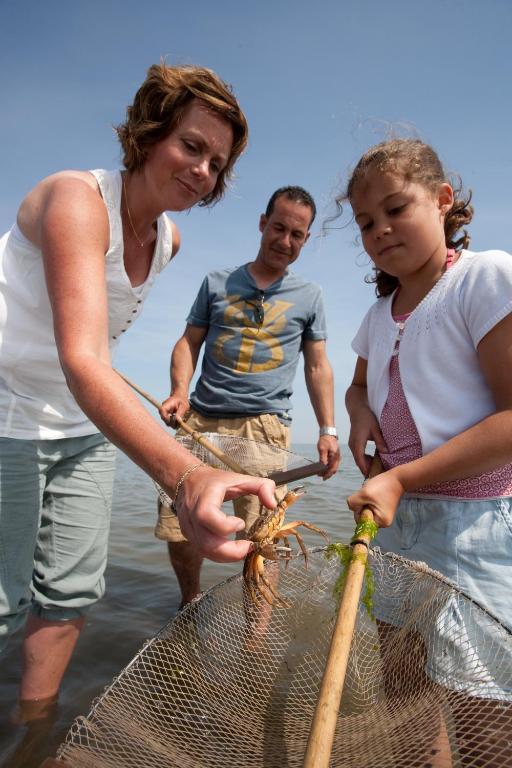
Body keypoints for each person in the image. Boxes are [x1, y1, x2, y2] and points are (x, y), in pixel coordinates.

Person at [0, 62, 278, 724]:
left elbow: (98, 355)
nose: (202, 170)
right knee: (4, 601)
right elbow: (83, 356)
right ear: (149, 134)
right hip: (7, 414)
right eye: (191, 145)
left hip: (80, 425)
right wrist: (188, 475)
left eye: (217, 162)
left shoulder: (169, 240)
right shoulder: (74, 199)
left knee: (70, 593)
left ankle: (33, 734)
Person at [343, 138, 512, 764]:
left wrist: (401, 478)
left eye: (396, 209)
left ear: (443, 201)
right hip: (395, 523)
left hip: (476, 529)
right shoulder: (377, 313)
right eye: (366, 223)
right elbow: (360, 386)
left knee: (481, 715)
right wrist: (360, 418)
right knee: (403, 691)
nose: (381, 229)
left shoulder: (484, 278)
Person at [157, 185, 341, 607]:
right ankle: (190, 602)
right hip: (199, 421)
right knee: (180, 522)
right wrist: (179, 392)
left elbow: (318, 366)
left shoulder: (310, 296)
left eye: (297, 234)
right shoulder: (216, 282)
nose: (285, 241)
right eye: (278, 228)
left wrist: (329, 430)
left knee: (265, 536)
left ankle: (256, 633)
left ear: (306, 239)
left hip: (265, 428)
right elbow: (189, 342)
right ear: (262, 224)